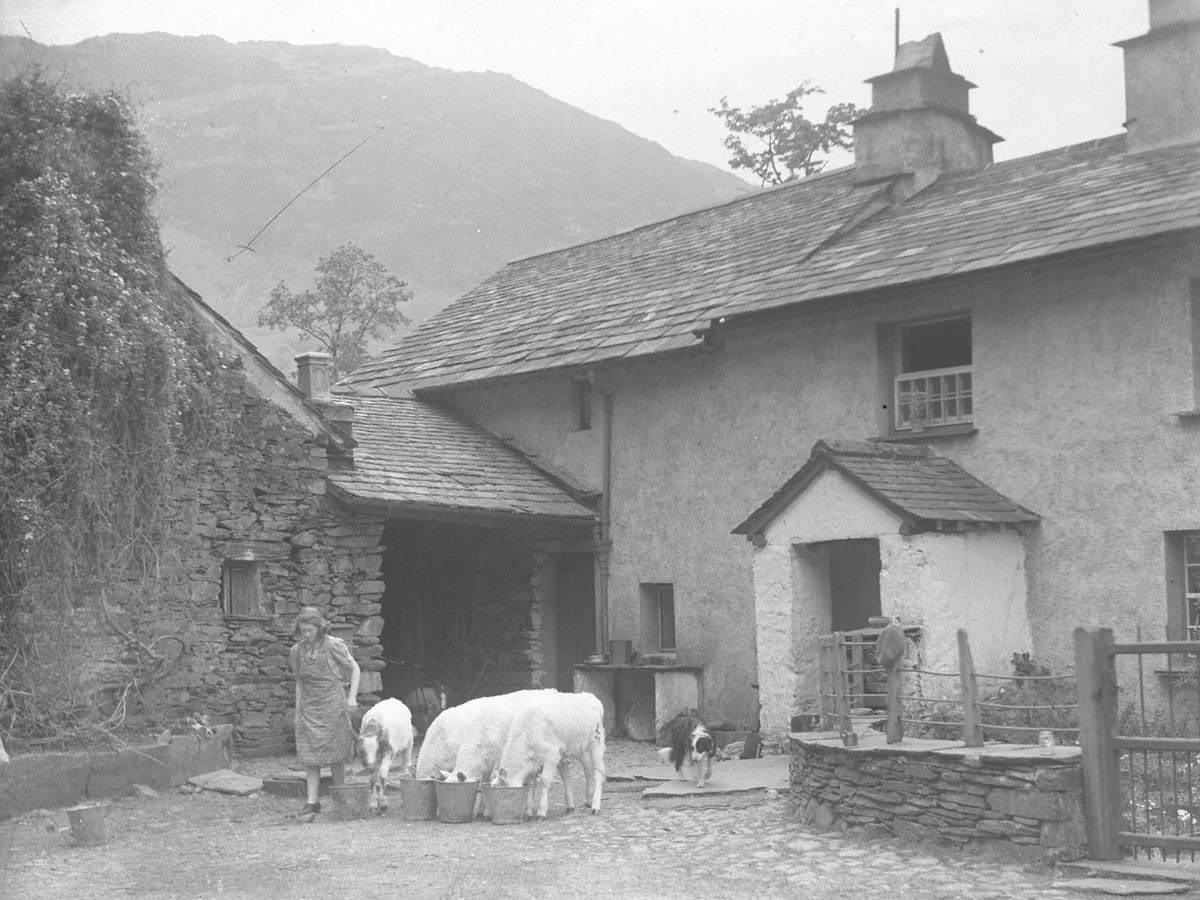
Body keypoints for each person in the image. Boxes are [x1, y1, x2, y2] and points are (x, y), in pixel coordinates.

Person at [290, 606, 361, 816]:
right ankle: (312, 801)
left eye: (309, 630)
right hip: (309, 707)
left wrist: (352, 697)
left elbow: (354, 668)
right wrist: (297, 711)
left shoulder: (333, 645)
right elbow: (299, 683)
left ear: (319, 628)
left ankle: (341, 796)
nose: (306, 634)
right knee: (309, 754)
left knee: (336, 752)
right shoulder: (297, 651)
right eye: (302, 631)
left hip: (333, 703)